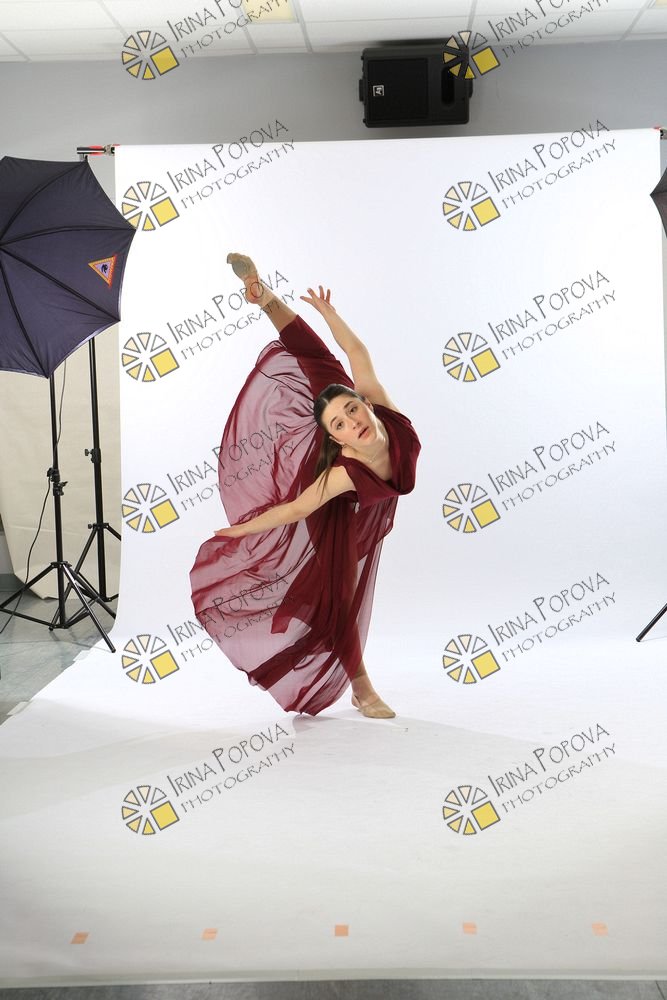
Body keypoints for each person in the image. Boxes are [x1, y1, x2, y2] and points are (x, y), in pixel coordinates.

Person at [190, 253, 420, 718]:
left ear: (365, 404)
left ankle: (263, 295)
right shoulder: (341, 471)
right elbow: (295, 509)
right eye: (342, 424)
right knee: (340, 595)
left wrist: (329, 312)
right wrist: (237, 531)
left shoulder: (374, 407)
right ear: (337, 439)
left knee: (322, 364)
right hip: (328, 502)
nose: (353, 422)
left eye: (354, 411)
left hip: (360, 471)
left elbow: (356, 353)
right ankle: (362, 687)